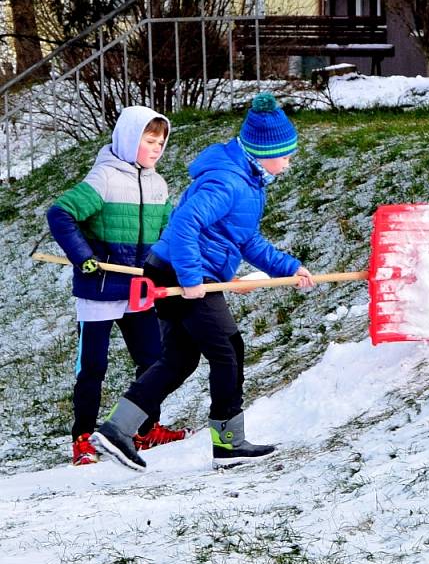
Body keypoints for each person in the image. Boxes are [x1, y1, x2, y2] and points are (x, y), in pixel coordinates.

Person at [91, 93, 315, 471]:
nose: (289, 163)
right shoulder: (228, 182)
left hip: (173, 267)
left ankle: (117, 430)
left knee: (179, 359)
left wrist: (288, 267)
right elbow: (184, 225)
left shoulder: (249, 182)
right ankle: (229, 444)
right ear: (264, 152)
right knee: (229, 349)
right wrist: (192, 278)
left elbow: (243, 240)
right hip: (183, 271)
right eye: (286, 155)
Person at [47, 106, 192, 466]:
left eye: (161, 141)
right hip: (99, 288)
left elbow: (167, 235)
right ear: (130, 139)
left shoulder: (158, 185)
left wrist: (175, 272)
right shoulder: (104, 178)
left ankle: (143, 429)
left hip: (138, 290)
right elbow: (60, 213)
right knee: (93, 366)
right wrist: (83, 256)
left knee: (153, 360)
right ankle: (83, 438)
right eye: (149, 140)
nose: (157, 148)